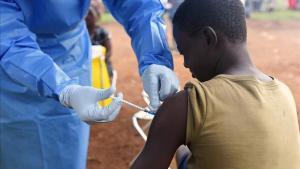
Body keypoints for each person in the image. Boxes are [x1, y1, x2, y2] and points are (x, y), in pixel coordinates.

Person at [0, 0, 178, 169]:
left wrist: (155, 56)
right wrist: (63, 88)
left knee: (67, 148)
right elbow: (8, 40)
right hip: (15, 72)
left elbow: (138, 4)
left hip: (71, 54)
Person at [131, 0, 300, 169]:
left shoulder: (191, 103)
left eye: (185, 52)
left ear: (208, 38)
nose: (185, 64)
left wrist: (167, 119)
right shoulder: (284, 93)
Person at [86, 4, 114, 78]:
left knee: (108, 72)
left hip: (101, 63)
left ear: (96, 17)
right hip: (86, 65)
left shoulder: (102, 33)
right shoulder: (81, 34)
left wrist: (102, 58)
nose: (87, 17)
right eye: (86, 14)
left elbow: (109, 51)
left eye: (90, 14)